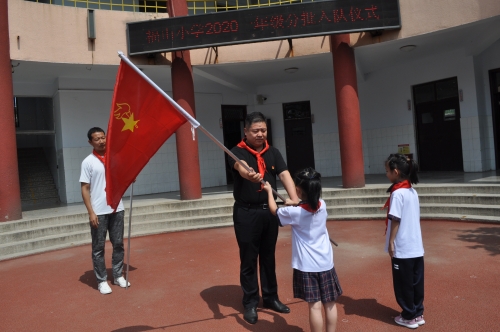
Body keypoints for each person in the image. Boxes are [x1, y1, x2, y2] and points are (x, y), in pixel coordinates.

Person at [228, 112, 300, 324]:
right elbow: (240, 168)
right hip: (246, 213)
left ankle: (270, 297)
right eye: (255, 131)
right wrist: (249, 174)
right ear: (246, 131)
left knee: (268, 257)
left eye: (263, 130)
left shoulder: (273, 152)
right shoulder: (236, 151)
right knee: (249, 258)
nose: (260, 134)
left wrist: (294, 198)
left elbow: (285, 174)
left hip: (269, 212)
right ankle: (250, 302)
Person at [263, 167, 342, 332]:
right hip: (326, 262)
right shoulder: (322, 205)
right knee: (330, 304)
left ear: (298, 190)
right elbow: (307, 205)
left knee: (314, 306)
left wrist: (269, 191)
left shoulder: (293, 213)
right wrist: (296, 203)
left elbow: (273, 210)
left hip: (307, 266)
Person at [80, 127, 130, 295]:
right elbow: (85, 188)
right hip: (99, 211)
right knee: (98, 247)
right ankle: (101, 280)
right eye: (97, 139)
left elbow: (122, 177)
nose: (101, 141)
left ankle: (117, 275)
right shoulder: (88, 162)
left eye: (103, 137)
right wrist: (91, 212)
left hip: (117, 208)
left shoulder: (115, 157)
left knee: (118, 244)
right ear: (90, 142)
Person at [383, 153, 424, 329]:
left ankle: (408, 316)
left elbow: (395, 220)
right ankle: (417, 313)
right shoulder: (412, 191)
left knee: (403, 284)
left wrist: (391, 242)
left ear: (396, 172)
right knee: (416, 282)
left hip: (403, 247)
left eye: (387, 171)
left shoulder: (397, 194)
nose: (386, 174)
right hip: (416, 246)